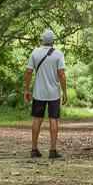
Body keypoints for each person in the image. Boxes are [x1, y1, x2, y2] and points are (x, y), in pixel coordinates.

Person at [24, 29, 67, 159]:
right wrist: (64, 92)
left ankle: (34, 149)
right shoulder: (59, 54)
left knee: (37, 119)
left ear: (43, 40)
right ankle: (53, 151)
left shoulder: (35, 53)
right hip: (54, 93)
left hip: (39, 93)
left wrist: (27, 89)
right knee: (53, 119)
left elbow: (29, 71)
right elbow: (61, 74)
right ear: (53, 41)